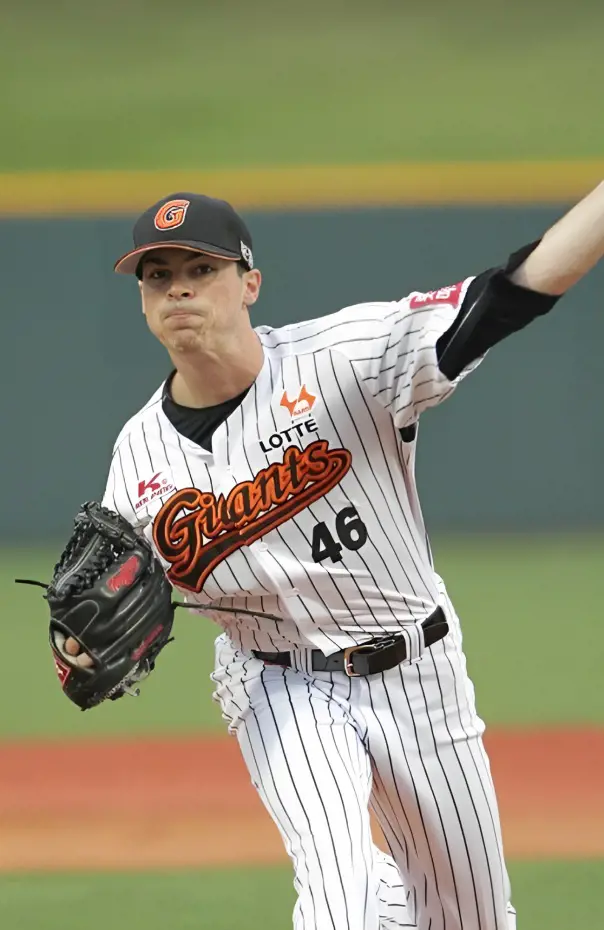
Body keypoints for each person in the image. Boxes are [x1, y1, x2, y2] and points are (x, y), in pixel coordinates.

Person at [64, 184, 604, 930]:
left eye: (202, 267)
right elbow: (111, 597)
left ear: (250, 283)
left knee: (470, 918)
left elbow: (512, 291)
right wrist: (81, 650)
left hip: (417, 672)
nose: (179, 287)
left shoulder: (346, 359)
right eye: (158, 275)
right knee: (337, 909)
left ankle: (392, 902)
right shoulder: (137, 457)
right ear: (143, 301)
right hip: (278, 687)